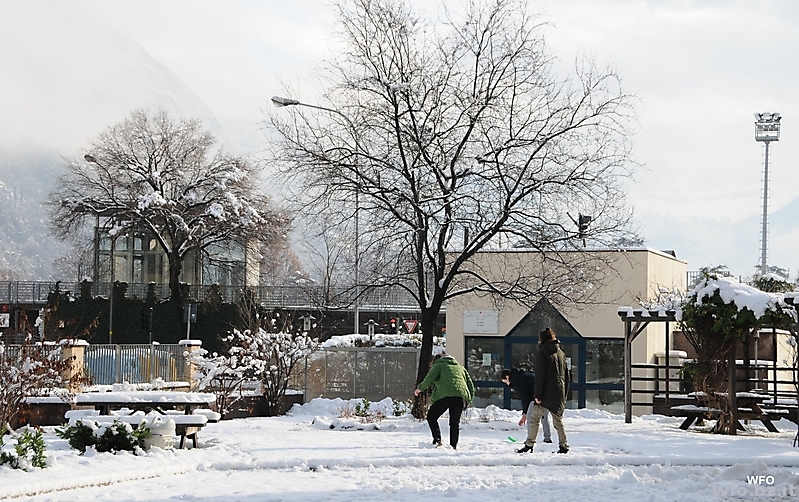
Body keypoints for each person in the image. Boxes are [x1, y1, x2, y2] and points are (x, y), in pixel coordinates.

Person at [516, 327, 570, 454]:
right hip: (559, 392)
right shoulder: (561, 353)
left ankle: (529, 444)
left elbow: (540, 376)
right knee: (558, 420)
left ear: (542, 340)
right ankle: (564, 445)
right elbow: (567, 375)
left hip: (546, 393)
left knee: (535, 418)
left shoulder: (543, 353)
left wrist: (538, 394)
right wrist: (564, 393)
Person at [414, 354, 475, 449]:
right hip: (460, 398)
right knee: (454, 423)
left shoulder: (438, 365)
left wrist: (420, 388)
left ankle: (437, 440)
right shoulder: (461, 368)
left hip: (445, 397)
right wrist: (469, 400)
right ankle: (453, 446)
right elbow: (470, 385)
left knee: (431, 416)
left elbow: (429, 378)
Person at [500, 368, 552, 444]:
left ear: (507, 377)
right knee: (544, 417)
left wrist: (525, 413)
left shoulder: (517, 380)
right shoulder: (523, 376)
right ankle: (547, 438)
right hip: (546, 395)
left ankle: (530, 439)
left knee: (530, 418)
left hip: (534, 397)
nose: (507, 384)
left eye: (505, 382)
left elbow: (524, 397)